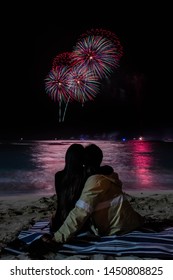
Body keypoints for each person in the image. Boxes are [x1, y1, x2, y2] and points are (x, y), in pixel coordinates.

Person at [51, 143, 144, 243]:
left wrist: (56, 238)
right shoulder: (104, 176)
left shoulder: (92, 181)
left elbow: (80, 212)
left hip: (118, 228)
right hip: (125, 223)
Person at [50, 143, 86, 232]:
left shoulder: (58, 176)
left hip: (60, 222)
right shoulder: (85, 175)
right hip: (77, 223)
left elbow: (60, 202)